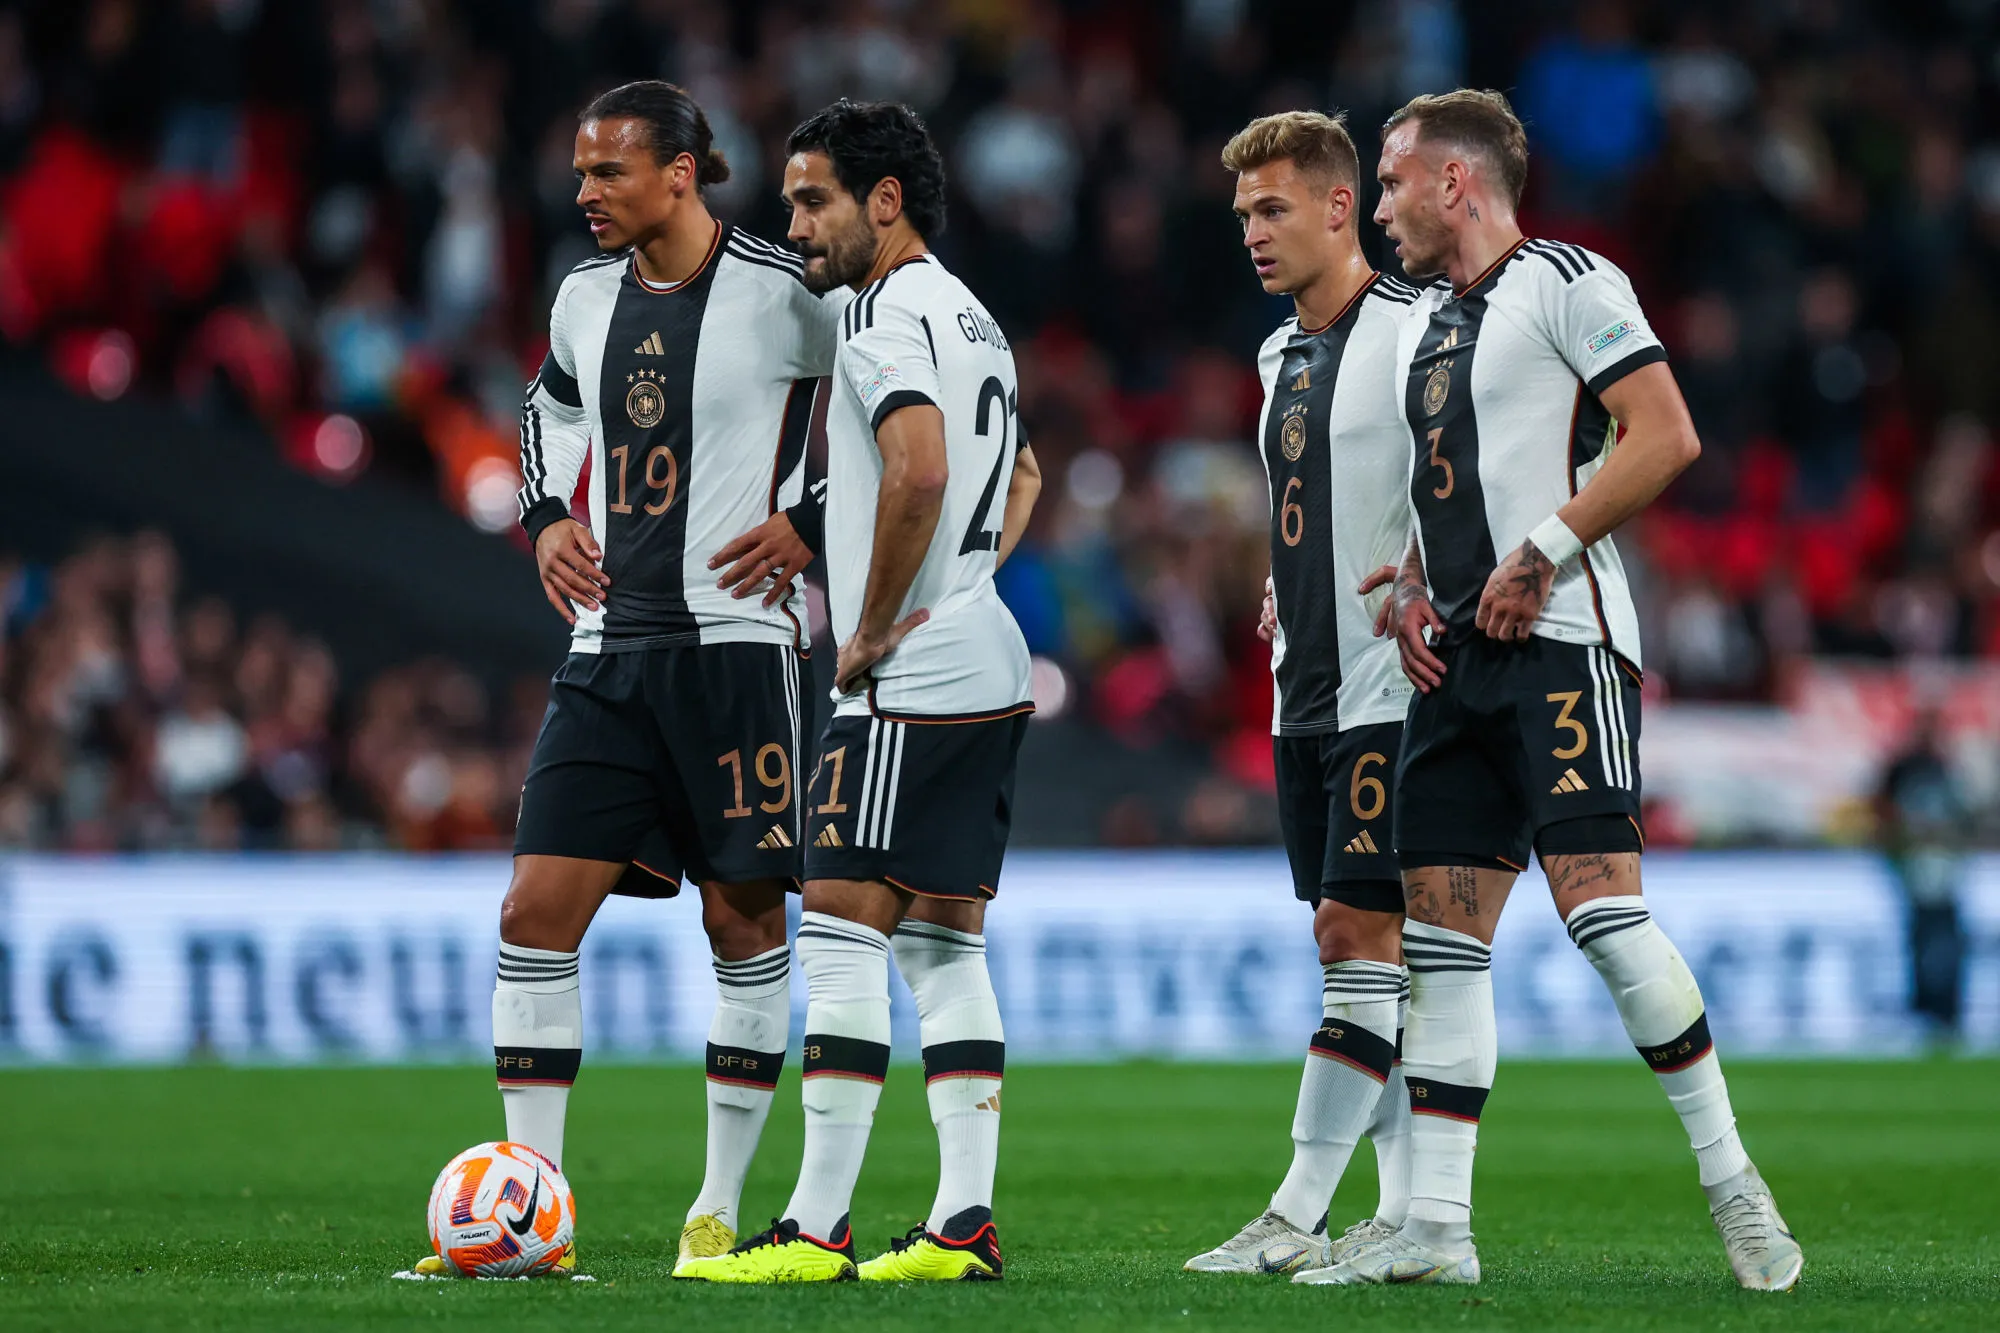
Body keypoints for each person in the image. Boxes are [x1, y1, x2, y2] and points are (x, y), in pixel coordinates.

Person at [1316, 89, 1802, 1291]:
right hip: (1453, 659)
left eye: (1391, 181)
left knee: (1603, 919)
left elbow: (1663, 434)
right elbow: (1449, 485)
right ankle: (1437, 1230)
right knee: (1441, 943)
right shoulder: (1428, 326)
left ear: (1455, 183)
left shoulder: (1568, 281)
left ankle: (1733, 1182)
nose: (1379, 208)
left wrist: (1541, 550)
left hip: (1562, 644)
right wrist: (1412, 583)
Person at [413, 79, 844, 1280]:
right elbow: (545, 409)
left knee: (739, 920)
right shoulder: (582, 298)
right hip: (606, 651)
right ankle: (532, 1207)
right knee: (532, 913)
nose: (586, 193)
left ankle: (715, 1204)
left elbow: (892, 414)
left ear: (682, 173)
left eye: (609, 171)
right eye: (580, 172)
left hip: (740, 651)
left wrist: (809, 519)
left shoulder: (788, 292)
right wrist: (547, 513)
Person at [680, 98, 1041, 1285]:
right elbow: (1022, 473)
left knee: (836, 927)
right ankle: (962, 1224)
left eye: (811, 199)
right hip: (983, 652)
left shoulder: (880, 314)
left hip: (908, 675)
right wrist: (966, 583)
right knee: (940, 942)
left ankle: (815, 1228)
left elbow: (918, 468)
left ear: (883, 202)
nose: (792, 224)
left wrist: (876, 618)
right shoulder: (972, 314)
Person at [1181, 110, 1422, 1280]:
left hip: (1393, 689)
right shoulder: (1276, 354)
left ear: (1338, 206)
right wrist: (1288, 579)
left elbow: (1487, 475)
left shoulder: (1419, 330)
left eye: (1271, 208)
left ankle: (1296, 1208)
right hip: (1303, 692)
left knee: (1353, 933)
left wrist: (1429, 574)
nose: (1251, 232)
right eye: (1241, 214)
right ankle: (1411, 1211)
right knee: (1360, 960)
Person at [1874, 706, 1972, 1044]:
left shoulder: (1948, 767)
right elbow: (1882, 810)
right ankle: (1924, 1009)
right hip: (1915, 869)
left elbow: (1964, 818)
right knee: (1922, 941)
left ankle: (1947, 1011)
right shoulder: (1904, 768)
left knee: (1947, 941)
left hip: (1945, 870)